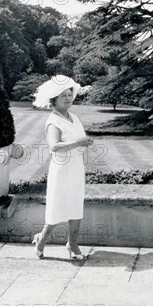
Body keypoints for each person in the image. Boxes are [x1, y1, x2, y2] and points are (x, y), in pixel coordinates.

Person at [31, 75, 94, 260]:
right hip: (61, 169)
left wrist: (84, 142)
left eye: (69, 94)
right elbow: (54, 147)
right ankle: (42, 240)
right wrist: (78, 142)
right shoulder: (53, 121)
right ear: (54, 100)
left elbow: (78, 140)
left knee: (75, 206)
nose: (68, 98)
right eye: (63, 95)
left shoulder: (73, 117)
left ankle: (72, 244)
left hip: (76, 167)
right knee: (56, 208)